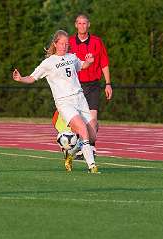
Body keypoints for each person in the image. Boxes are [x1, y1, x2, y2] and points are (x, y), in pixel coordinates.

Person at [12, 30, 100, 173]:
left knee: (92, 134)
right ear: (55, 44)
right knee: (83, 130)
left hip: (80, 98)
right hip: (64, 102)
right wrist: (21, 79)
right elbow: (33, 77)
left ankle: (70, 154)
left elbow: (82, 65)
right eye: (61, 44)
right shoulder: (48, 63)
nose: (64, 46)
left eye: (67, 44)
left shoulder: (72, 57)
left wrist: (88, 62)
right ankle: (92, 166)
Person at [53, 14, 112, 156]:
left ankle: (90, 146)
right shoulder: (70, 42)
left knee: (92, 119)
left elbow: (104, 63)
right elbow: (60, 61)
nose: (82, 26)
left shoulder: (97, 42)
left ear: (89, 25)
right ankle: (80, 145)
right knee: (77, 122)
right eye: (79, 23)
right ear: (75, 25)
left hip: (93, 86)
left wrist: (108, 84)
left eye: (84, 23)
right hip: (75, 88)